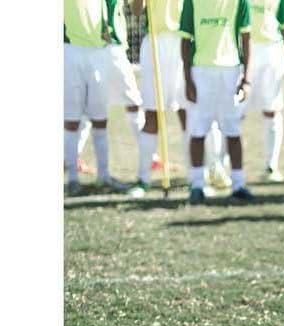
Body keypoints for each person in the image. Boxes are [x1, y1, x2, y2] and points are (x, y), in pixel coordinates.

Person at [179, 0, 254, 205]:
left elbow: (246, 38)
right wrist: (187, 79)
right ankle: (196, 185)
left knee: (233, 130)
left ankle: (238, 185)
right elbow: (185, 40)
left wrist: (247, 79)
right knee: (197, 131)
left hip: (231, 72)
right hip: (200, 72)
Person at [64, 0, 128, 195]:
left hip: (99, 52)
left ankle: (104, 176)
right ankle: (72, 179)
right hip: (70, 50)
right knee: (71, 121)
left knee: (100, 119)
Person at [76, 0, 143, 179]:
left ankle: (148, 154)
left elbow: (136, 9)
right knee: (95, 106)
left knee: (130, 102)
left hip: (112, 46)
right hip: (105, 46)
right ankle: (72, 158)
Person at [130, 0, 190, 196]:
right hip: (155, 42)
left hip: (182, 39)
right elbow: (136, 11)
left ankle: (196, 177)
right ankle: (143, 179)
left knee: (187, 113)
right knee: (152, 114)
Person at [240, 0, 284, 182]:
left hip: (271, 54)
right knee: (235, 113)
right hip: (244, 51)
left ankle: (271, 165)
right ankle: (225, 166)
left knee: (271, 110)